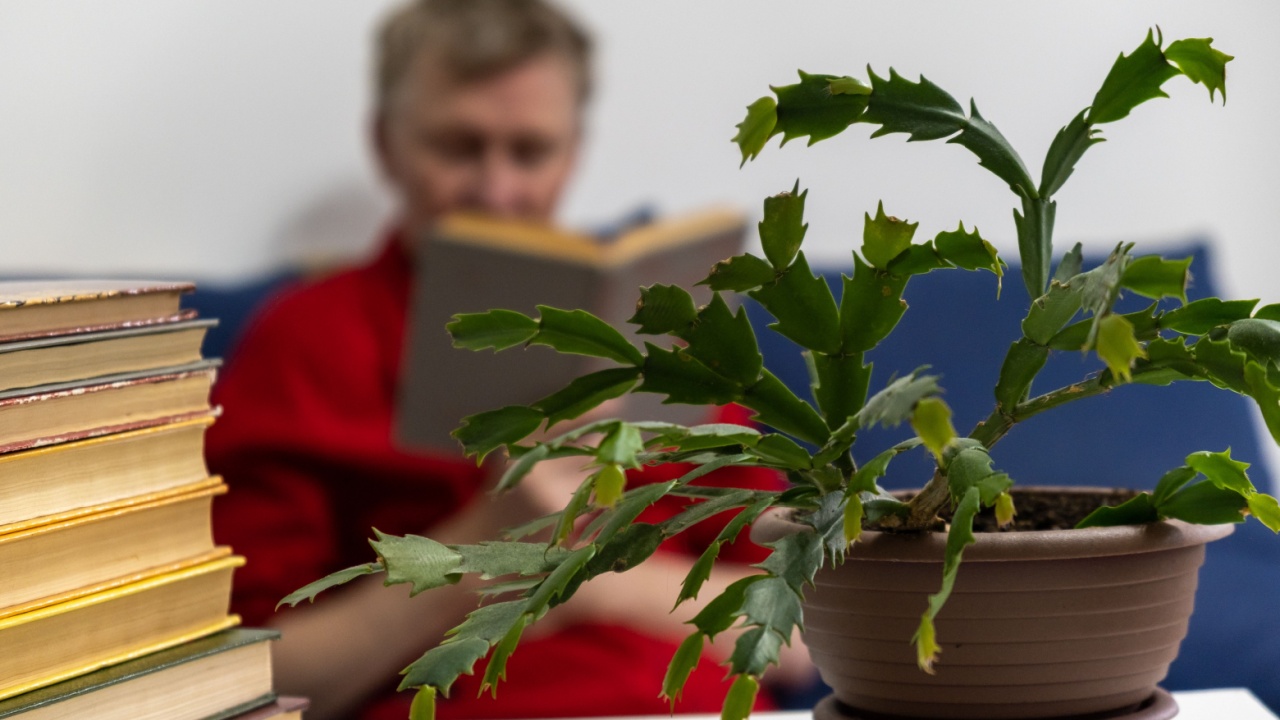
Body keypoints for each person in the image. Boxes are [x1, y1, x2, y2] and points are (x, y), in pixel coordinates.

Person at [207, 2, 810, 719]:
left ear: (574, 151)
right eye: (459, 147)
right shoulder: (306, 341)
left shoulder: (653, 323)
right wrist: (480, 548)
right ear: (386, 145)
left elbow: (802, 633)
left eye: (530, 152)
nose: (497, 193)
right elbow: (246, 681)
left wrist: (588, 583)